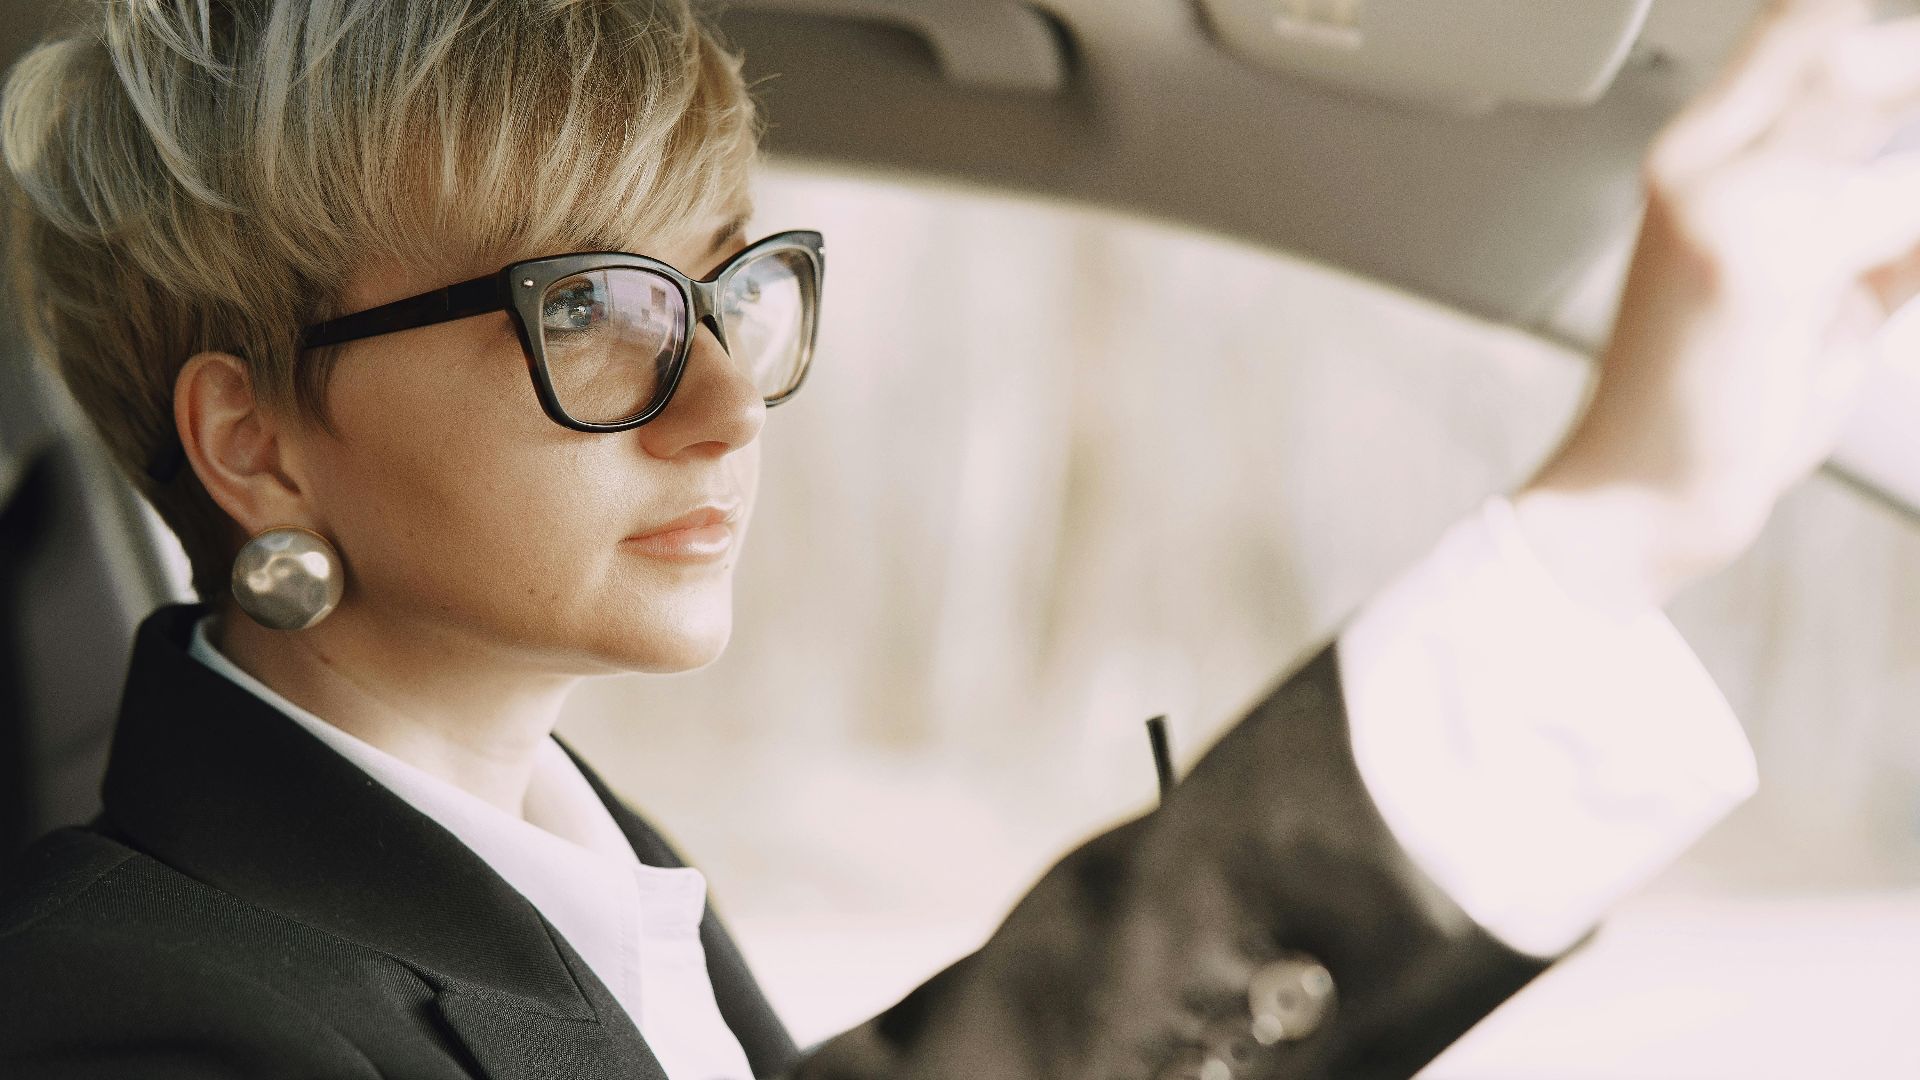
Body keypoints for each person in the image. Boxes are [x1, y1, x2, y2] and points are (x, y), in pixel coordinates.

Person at [1, 0, 1916, 1077]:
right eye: (590, 308)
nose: (731, 397)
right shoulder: (122, 1018)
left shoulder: (582, 883)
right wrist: (1599, 535)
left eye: (736, 289)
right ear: (252, 442)